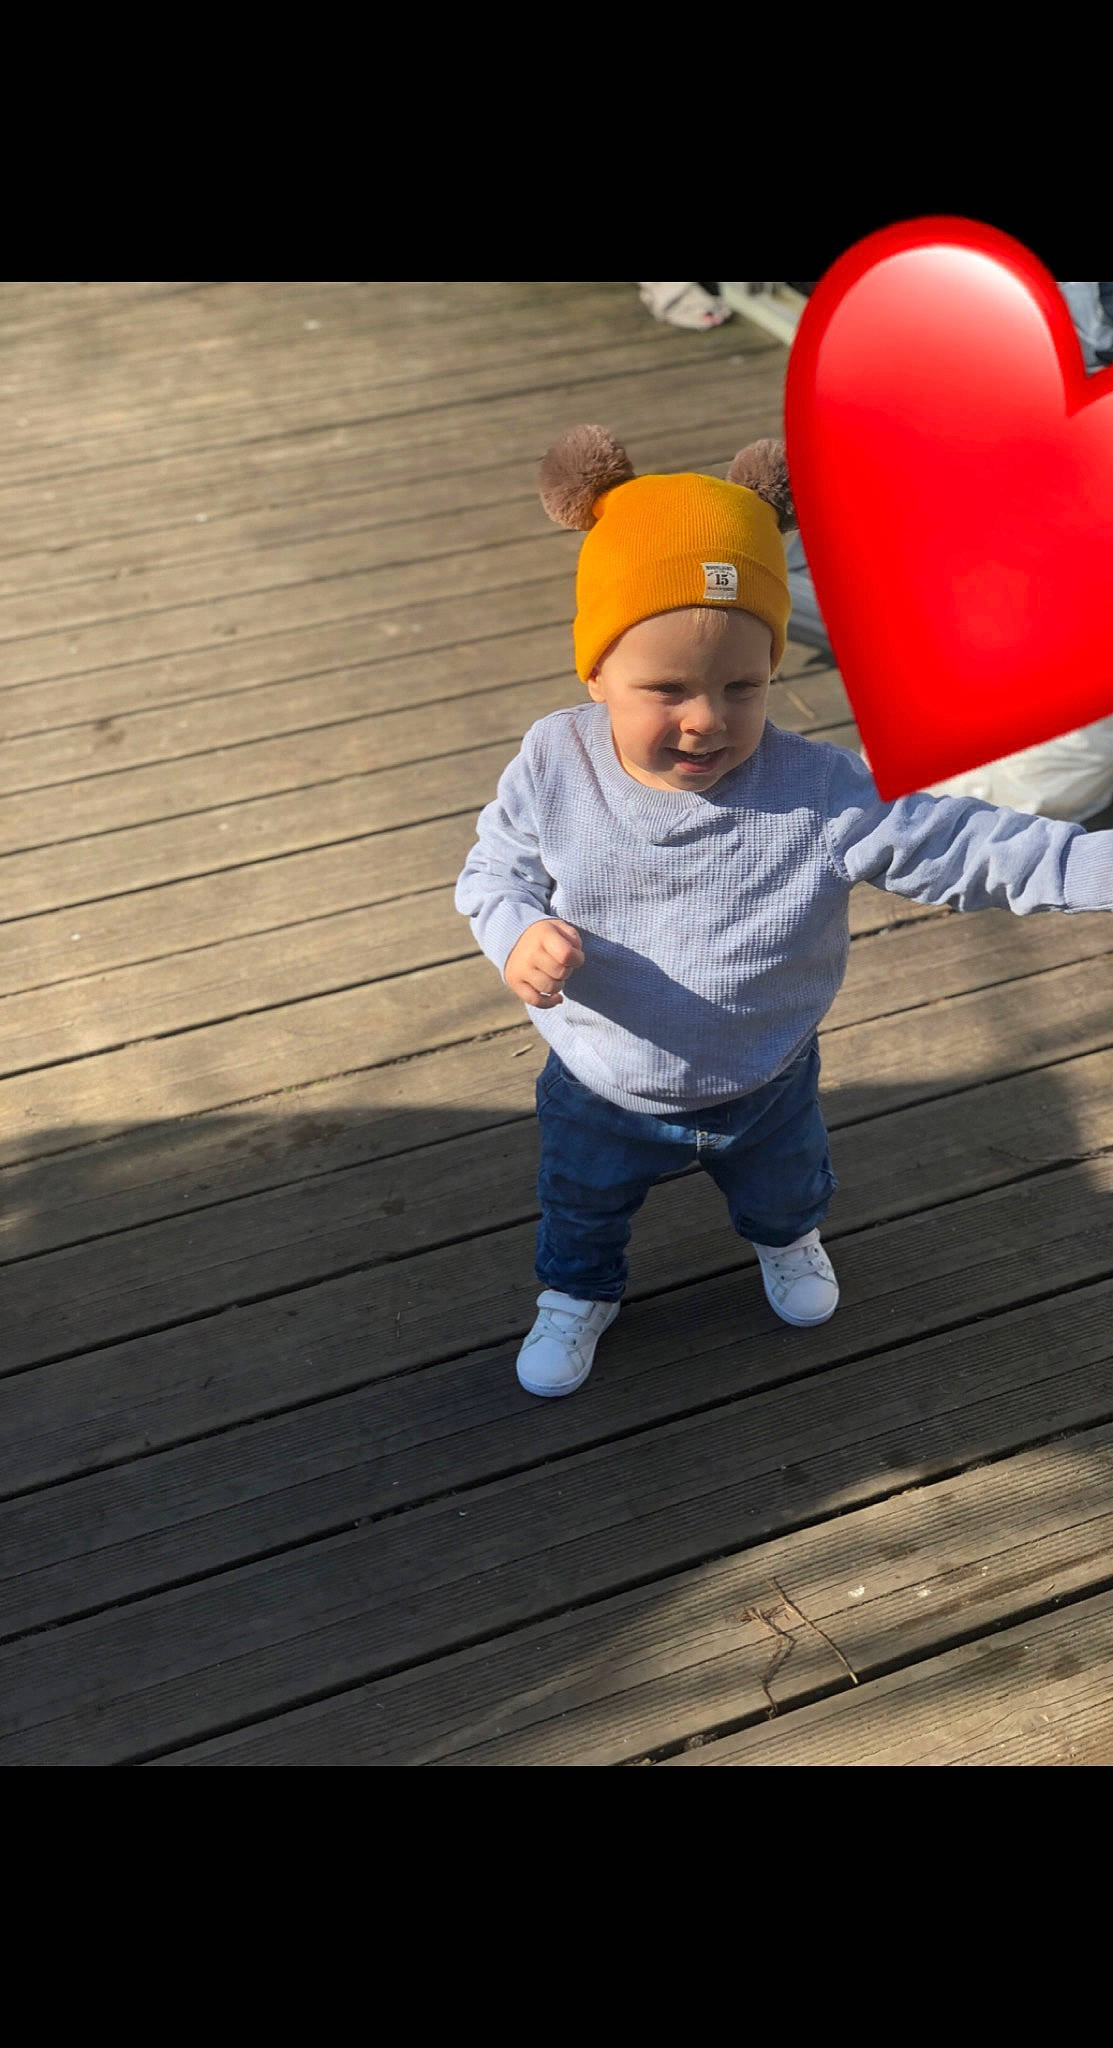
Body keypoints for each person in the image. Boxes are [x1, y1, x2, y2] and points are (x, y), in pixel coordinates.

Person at [455, 426, 1113, 1398]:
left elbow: (972, 846)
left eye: (742, 686)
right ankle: (577, 1293)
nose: (706, 718)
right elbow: (489, 870)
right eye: (665, 687)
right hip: (602, 1079)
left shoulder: (820, 791)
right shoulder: (555, 763)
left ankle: (788, 1241)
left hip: (766, 1073)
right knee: (581, 1206)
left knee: (789, 1183)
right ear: (594, 675)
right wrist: (514, 931)